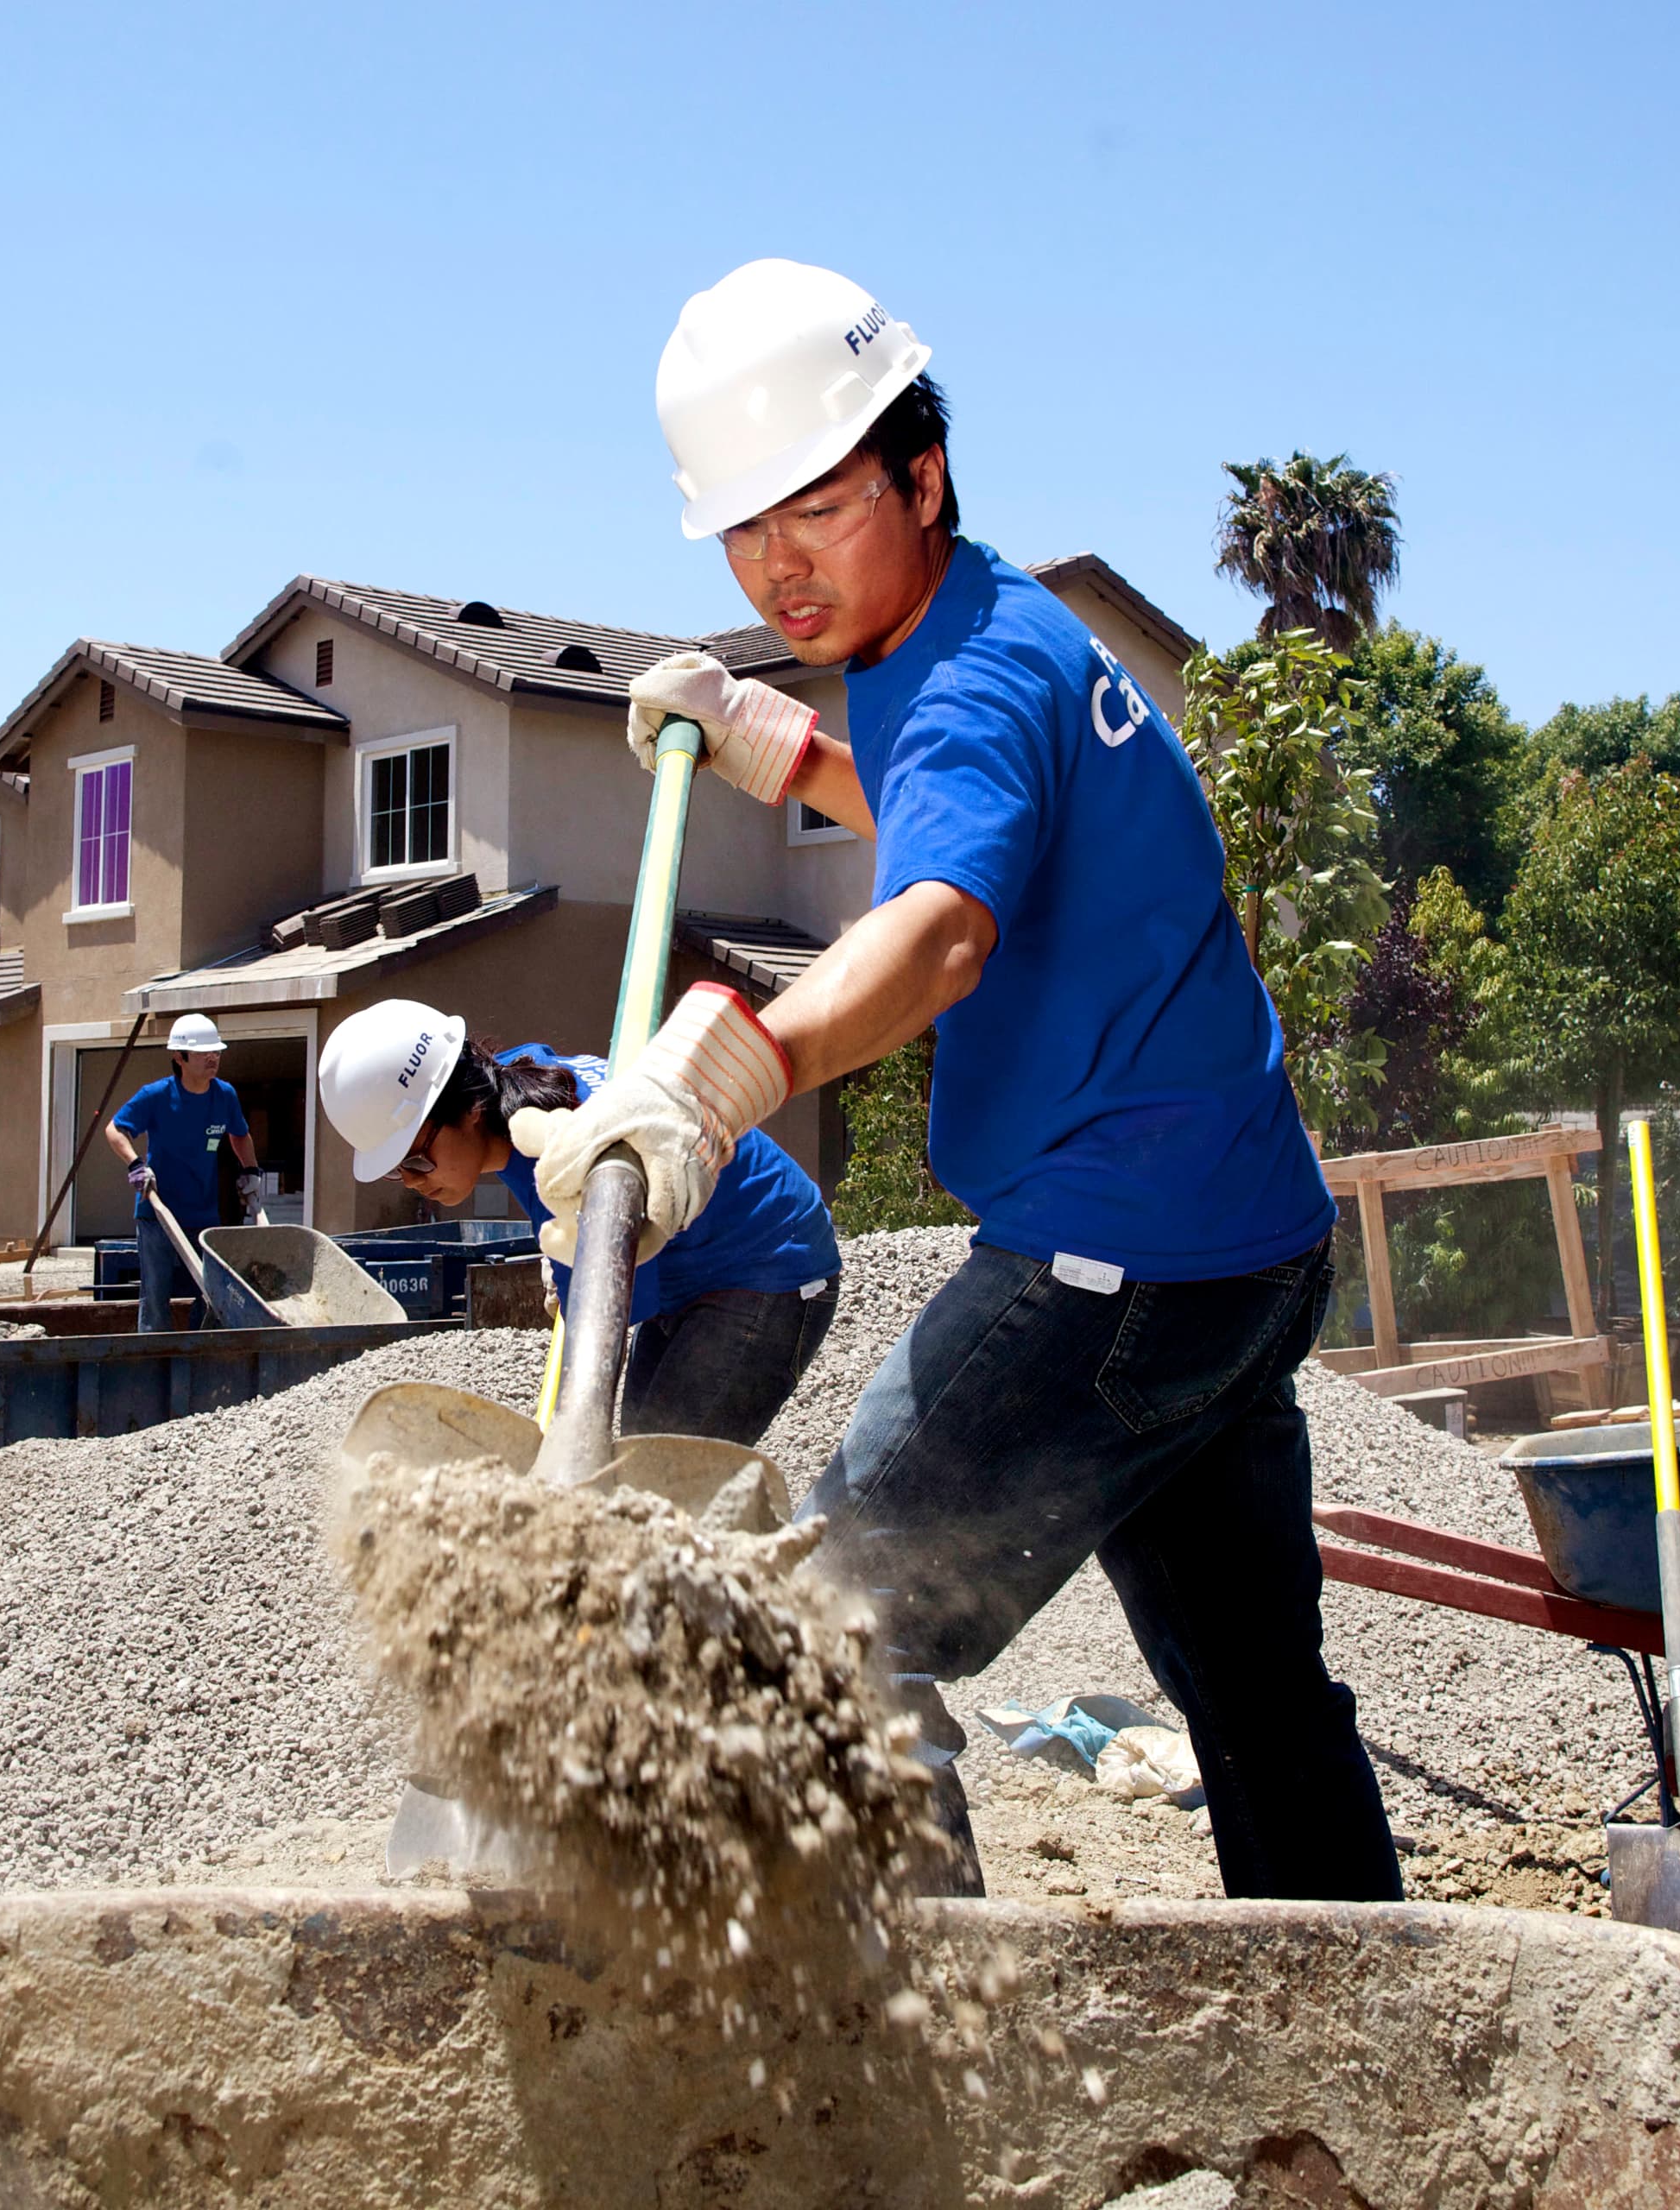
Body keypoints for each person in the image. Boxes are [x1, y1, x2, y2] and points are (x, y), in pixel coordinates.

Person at [530, 258, 1392, 1902]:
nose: (779, 571)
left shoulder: (970, 678)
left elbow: (939, 934)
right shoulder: (993, 615)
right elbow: (956, 824)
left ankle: (909, 2048)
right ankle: (1359, 2025)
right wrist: (765, 740)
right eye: (744, 530)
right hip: (1246, 1249)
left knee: (822, 1637)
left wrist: (738, 1067)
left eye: (820, 512)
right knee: (1261, 1700)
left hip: (1111, 1271)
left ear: (921, 473)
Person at [319, 1000, 838, 1444]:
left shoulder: (572, 1151)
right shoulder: (523, 1089)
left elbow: (604, 1331)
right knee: (646, 1455)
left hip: (769, 1265)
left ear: (468, 1109)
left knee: (664, 1488)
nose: (413, 1181)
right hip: (696, 1260)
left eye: (416, 1160)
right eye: (396, 1171)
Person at [104, 1012, 256, 1332]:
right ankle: (155, 1361)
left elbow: (239, 1134)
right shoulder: (157, 1096)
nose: (212, 1058)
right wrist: (136, 1165)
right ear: (180, 1057)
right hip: (158, 1214)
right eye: (203, 1053)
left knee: (210, 1292)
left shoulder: (224, 1095)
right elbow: (115, 1129)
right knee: (156, 1296)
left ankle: (202, 1357)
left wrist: (251, 1170)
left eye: (216, 1052)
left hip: (203, 1215)